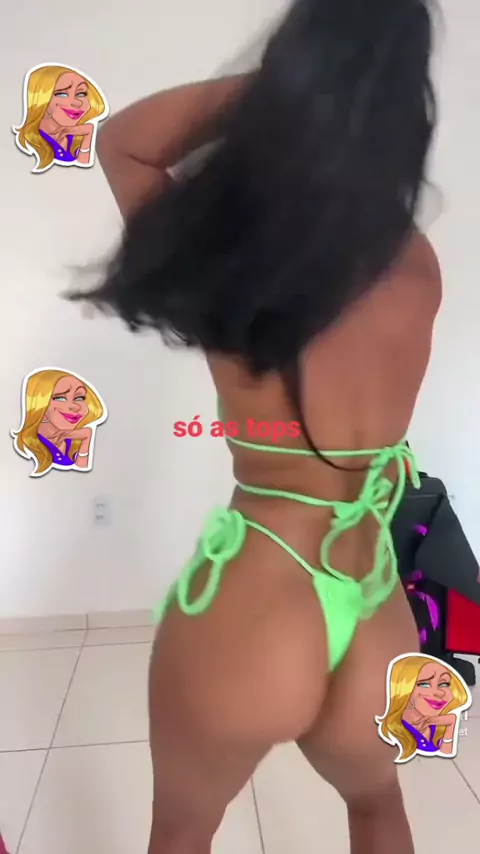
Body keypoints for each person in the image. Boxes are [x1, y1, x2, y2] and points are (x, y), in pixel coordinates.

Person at [69, 0, 442, 851]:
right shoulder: (415, 261)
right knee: (379, 808)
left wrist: (291, 92)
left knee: (183, 831)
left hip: (259, 593)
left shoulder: (241, 249)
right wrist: (360, 97)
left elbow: (123, 141)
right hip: (375, 598)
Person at [13, 64, 108, 173]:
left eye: (81, 93)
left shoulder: (77, 138)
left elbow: (83, 173)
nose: (77, 102)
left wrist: (88, 136)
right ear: (40, 98)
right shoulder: (30, 144)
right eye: (62, 94)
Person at [376, 653, 471, 762]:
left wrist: (451, 726)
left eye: (444, 684)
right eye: (424, 684)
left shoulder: (439, 726)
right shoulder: (391, 734)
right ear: (403, 688)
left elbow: (445, 758)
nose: (439, 693)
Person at [11, 368, 107, 476]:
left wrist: (86, 439)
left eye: (79, 397)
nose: (75, 406)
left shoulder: (74, 441)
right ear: (39, 403)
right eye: (60, 398)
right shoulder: (28, 449)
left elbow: (83, 477)